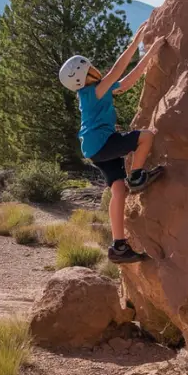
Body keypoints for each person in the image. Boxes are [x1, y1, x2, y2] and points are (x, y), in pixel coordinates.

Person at [58, 27, 166, 264]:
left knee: (118, 189)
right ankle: (137, 176)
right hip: (103, 144)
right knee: (146, 136)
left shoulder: (95, 91)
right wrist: (137, 41)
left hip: (94, 150)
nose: (96, 70)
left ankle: (118, 245)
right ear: (84, 77)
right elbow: (119, 68)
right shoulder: (94, 90)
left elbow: (127, 81)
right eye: (91, 69)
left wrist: (150, 55)